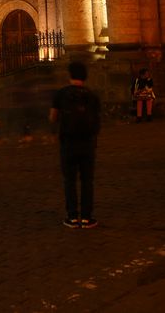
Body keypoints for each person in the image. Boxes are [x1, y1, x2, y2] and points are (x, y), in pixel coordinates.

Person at [49, 60, 101, 229]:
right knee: (87, 181)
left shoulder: (61, 94)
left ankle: (72, 217)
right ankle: (86, 218)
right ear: (85, 76)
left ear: (69, 75)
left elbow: (52, 117)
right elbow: (97, 120)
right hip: (87, 143)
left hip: (68, 143)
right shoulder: (92, 95)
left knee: (69, 181)